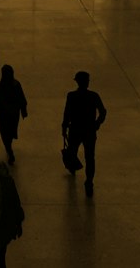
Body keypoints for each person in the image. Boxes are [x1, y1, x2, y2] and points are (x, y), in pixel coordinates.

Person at [62, 70, 107, 198]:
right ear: (87, 82)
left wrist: (64, 127)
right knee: (90, 158)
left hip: (75, 130)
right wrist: (97, 123)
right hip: (89, 131)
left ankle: (73, 167)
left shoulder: (71, 96)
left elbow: (67, 113)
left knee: (72, 151)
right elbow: (103, 112)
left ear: (77, 82)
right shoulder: (93, 96)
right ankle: (89, 182)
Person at [0, 65, 28, 164]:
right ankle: (9, 146)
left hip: (3, 113)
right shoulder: (16, 84)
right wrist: (23, 110)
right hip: (14, 113)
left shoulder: (1, 85)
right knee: (11, 130)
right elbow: (22, 98)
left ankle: (8, 148)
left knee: (4, 131)